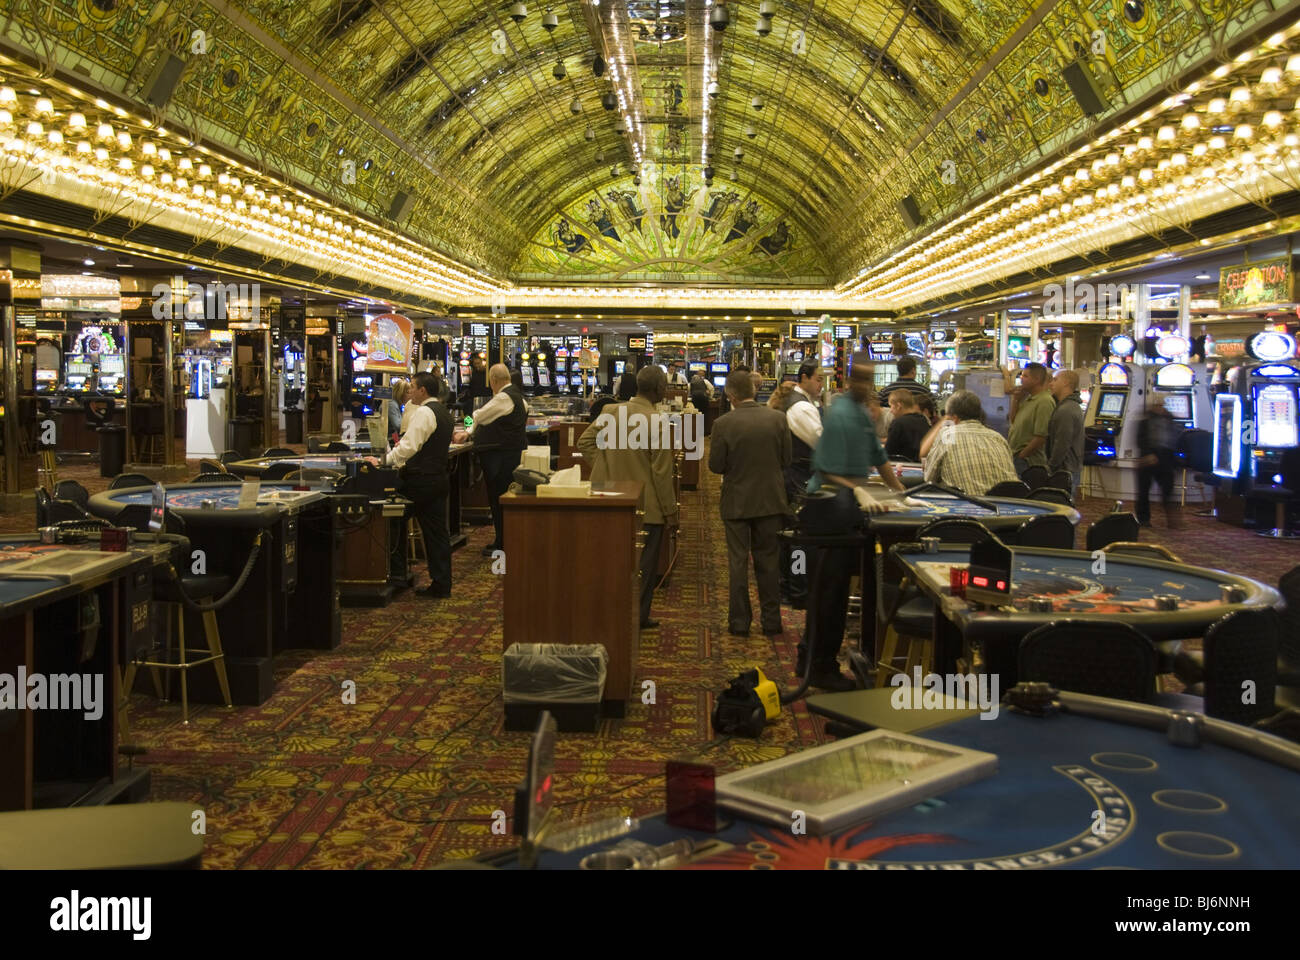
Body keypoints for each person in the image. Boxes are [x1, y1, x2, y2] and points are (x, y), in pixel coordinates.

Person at [799, 357, 903, 691]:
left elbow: (878, 456)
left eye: (869, 380)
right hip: (827, 510)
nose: (864, 385)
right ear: (849, 380)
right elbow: (827, 468)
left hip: (845, 510)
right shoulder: (841, 412)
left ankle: (812, 659)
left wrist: (902, 494)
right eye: (860, 379)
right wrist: (858, 489)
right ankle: (819, 666)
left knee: (838, 592)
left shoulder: (860, 412)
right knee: (828, 595)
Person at [578, 365, 678, 629]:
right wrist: (671, 513)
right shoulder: (658, 422)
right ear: (658, 390)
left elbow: (584, 443)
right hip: (648, 508)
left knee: (608, 559)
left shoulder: (610, 411)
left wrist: (605, 466)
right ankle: (637, 616)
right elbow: (661, 474)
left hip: (607, 496)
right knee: (642, 570)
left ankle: (605, 611)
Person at [709, 370, 791, 637]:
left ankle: (739, 622)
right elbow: (786, 460)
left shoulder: (723, 423)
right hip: (771, 499)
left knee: (738, 562)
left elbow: (716, 466)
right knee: (769, 561)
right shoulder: (778, 419)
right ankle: (771, 621)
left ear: (730, 395)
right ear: (754, 391)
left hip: (736, 501)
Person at [368, 372, 452, 598]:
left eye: (413, 387)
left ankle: (397, 573)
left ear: (423, 391)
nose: (410, 391)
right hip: (438, 478)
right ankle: (442, 582)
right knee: (437, 534)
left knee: (393, 518)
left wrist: (384, 460)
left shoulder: (425, 412)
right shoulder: (443, 411)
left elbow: (409, 446)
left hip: (420, 481)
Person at [463, 363, 528, 556]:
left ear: (494, 380)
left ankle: (502, 543)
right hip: (511, 456)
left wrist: (466, 432)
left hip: (500, 459)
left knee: (498, 501)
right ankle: (503, 540)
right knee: (505, 501)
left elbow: (477, 416)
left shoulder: (503, 397)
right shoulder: (518, 396)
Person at [781, 361, 824, 609]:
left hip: (794, 475)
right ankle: (798, 590)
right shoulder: (801, 407)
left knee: (793, 536)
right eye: (818, 379)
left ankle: (791, 586)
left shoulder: (802, 402)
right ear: (804, 377)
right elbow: (823, 444)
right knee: (799, 539)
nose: (821, 384)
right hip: (798, 477)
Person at [919, 389, 1019, 495]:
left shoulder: (949, 434)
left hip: (968, 505)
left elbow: (929, 478)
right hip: (1008, 505)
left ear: (954, 418)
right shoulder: (998, 437)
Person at [1136, 395, 1182, 529]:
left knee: (1168, 491)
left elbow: (1174, 439)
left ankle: (1173, 520)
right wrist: (1147, 454)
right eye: (1157, 404)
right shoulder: (1145, 419)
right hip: (1147, 458)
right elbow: (1140, 439)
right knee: (1143, 491)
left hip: (1165, 458)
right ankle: (1143, 520)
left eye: (1161, 404)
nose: (1159, 407)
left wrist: (1175, 460)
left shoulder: (1170, 418)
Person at [1006, 362, 1054, 476]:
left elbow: (1041, 436)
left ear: (1036, 379)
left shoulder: (1044, 401)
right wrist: (1016, 400)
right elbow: (1013, 420)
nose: (1021, 378)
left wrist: (1022, 455)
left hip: (1028, 462)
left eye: (1025, 376)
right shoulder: (1029, 398)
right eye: (1022, 375)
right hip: (1016, 456)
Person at [1047, 368, 1085, 495]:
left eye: (1055, 380)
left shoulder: (1066, 409)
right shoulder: (1069, 405)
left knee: (1063, 507)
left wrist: (1051, 466)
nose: (1051, 383)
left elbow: (1062, 443)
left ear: (1066, 383)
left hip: (1064, 469)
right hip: (1069, 467)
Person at [885, 389, 930, 462]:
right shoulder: (923, 420)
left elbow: (888, 452)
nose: (890, 411)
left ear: (898, 406)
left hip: (903, 466)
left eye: (891, 406)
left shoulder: (898, 423)